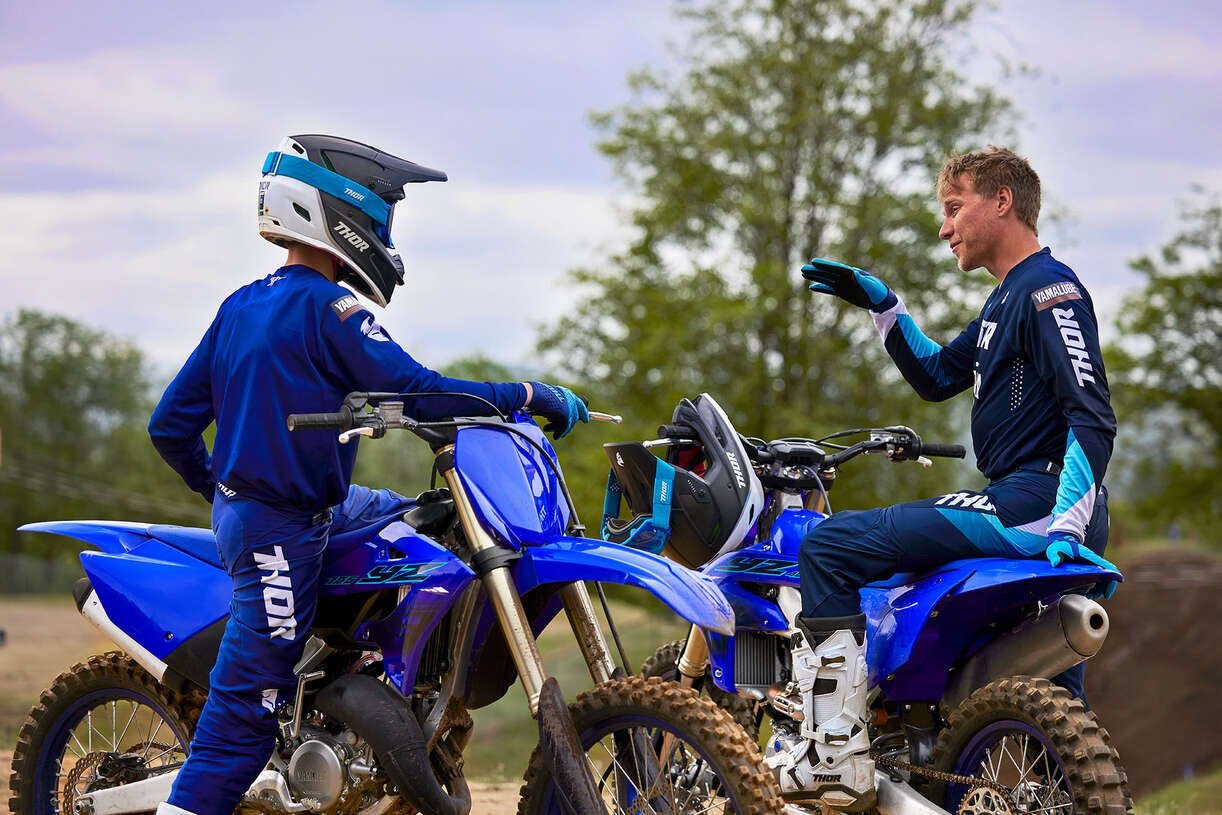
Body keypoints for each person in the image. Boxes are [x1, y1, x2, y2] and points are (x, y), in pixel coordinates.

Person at [147, 134, 589, 815]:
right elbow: (421, 391)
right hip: (279, 529)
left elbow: (169, 426)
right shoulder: (330, 310)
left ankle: (368, 689)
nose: (386, 234)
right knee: (242, 718)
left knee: (423, 522)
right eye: (382, 217)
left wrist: (225, 490)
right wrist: (528, 394)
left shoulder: (241, 305)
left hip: (303, 509)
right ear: (342, 214)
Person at [779, 147, 1118, 810]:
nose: (944, 228)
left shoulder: (1049, 291)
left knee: (828, 546)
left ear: (1002, 201)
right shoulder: (1005, 299)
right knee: (1057, 725)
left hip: (1036, 502)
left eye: (954, 207)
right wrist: (883, 306)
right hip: (1040, 504)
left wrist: (1067, 523)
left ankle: (834, 753)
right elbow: (937, 375)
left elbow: (1092, 412)